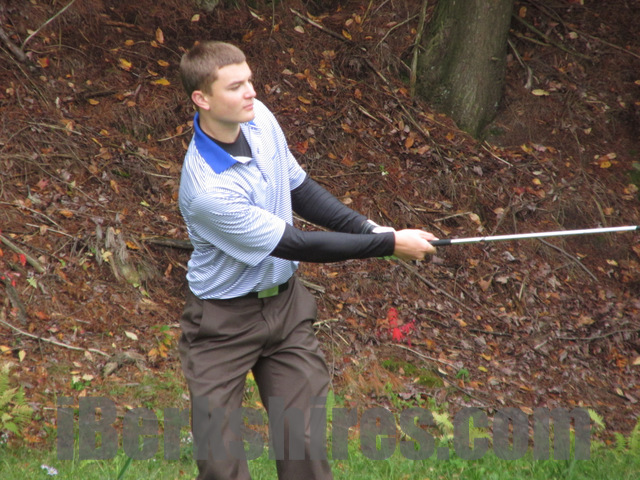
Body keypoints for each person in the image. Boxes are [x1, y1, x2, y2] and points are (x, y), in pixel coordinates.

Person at [177, 40, 437, 480]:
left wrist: (372, 230)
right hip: (221, 323)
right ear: (202, 99)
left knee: (303, 446)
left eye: (250, 81)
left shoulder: (259, 119)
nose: (251, 93)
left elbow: (300, 189)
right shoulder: (207, 189)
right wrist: (389, 245)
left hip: (286, 309)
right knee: (221, 465)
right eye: (235, 87)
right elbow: (297, 244)